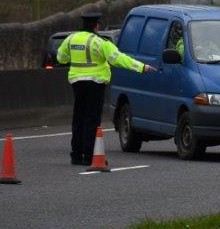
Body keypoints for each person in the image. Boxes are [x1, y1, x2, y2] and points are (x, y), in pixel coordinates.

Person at [57, 12, 155, 166]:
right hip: (95, 84)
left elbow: (60, 58)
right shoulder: (100, 42)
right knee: (92, 120)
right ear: (96, 26)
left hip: (77, 83)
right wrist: (142, 67)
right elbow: (119, 59)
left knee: (78, 118)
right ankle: (89, 156)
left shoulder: (71, 39)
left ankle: (76, 155)